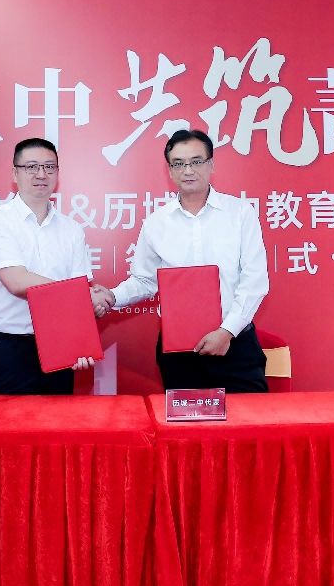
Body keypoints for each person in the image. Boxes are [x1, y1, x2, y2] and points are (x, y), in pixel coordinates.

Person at [94, 129, 270, 392]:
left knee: (246, 418)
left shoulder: (240, 214)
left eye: (196, 161)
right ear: (169, 170)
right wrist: (112, 296)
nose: (188, 170)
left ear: (211, 164)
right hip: (178, 353)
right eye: (178, 164)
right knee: (185, 420)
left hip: (234, 345)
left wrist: (227, 331)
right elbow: (144, 280)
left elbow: (254, 281)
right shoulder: (156, 223)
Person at [0, 137, 108, 395]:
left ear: (57, 173)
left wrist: (89, 310)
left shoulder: (72, 229)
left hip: (60, 346)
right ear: (14, 173)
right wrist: (84, 296)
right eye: (31, 167)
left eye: (49, 167)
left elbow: (77, 291)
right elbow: (17, 281)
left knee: (59, 420)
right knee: (7, 422)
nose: (41, 174)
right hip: (10, 350)